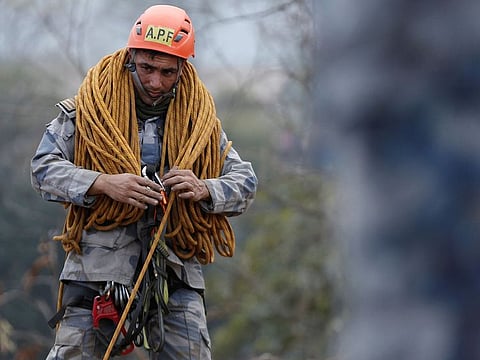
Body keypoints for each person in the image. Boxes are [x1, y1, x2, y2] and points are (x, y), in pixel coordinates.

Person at [31, 4, 257, 360]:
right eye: (147, 68)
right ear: (130, 57)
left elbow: (245, 181)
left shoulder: (199, 123)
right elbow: (43, 169)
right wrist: (103, 183)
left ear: (183, 69)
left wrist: (205, 188)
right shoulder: (88, 111)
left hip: (175, 273)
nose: (155, 82)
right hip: (95, 273)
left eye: (167, 72)